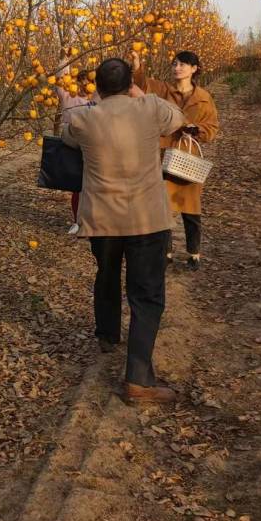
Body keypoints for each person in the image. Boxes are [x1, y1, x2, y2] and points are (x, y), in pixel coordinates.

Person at [62, 57, 186, 404]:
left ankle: (107, 334)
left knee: (107, 273)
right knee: (146, 296)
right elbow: (178, 119)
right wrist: (138, 92)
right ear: (129, 83)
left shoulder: (83, 118)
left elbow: (65, 137)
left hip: (103, 219)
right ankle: (138, 380)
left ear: (97, 87)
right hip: (146, 218)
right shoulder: (148, 107)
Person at [131, 50, 219, 270]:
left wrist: (197, 129)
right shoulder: (162, 90)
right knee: (163, 206)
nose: (177, 68)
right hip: (163, 154)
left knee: (191, 207)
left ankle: (194, 253)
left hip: (188, 157)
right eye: (174, 64)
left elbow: (212, 127)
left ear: (194, 68)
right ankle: (166, 251)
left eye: (182, 64)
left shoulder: (203, 98)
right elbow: (140, 85)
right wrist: (136, 64)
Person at [55, 60, 98, 233]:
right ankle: (77, 221)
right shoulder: (68, 96)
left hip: (93, 146)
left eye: (89, 83)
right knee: (77, 185)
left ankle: (91, 221)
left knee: (93, 186)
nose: (85, 86)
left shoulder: (97, 99)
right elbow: (60, 78)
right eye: (82, 82)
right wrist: (66, 61)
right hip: (73, 144)